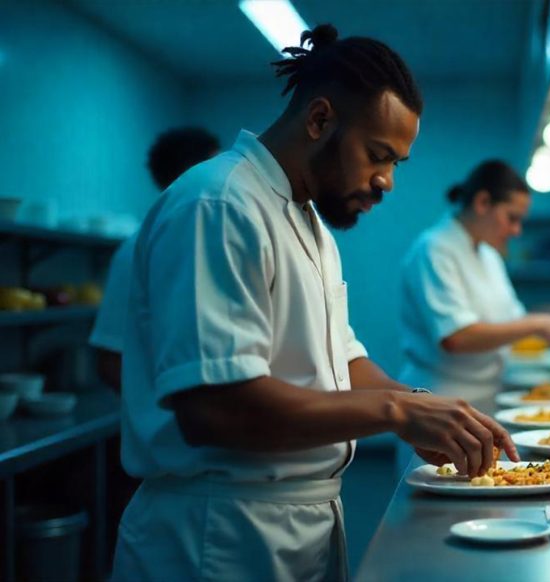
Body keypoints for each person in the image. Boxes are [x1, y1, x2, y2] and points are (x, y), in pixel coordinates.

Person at [112, 25, 518, 582]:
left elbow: (341, 364)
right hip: (219, 534)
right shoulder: (220, 203)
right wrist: (398, 413)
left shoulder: (309, 223)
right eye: (379, 155)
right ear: (320, 119)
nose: (387, 182)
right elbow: (215, 407)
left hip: (298, 520)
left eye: (397, 162)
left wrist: (431, 408)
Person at [399, 160, 550, 404]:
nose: (517, 230)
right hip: (441, 397)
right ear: (482, 203)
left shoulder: (488, 254)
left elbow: (513, 321)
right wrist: (539, 324)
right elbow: (456, 337)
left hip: (488, 395)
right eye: (512, 218)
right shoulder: (434, 249)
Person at [90, 127, 221, 392]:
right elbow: (110, 359)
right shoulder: (137, 250)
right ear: (192, 173)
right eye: (217, 166)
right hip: (175, 428)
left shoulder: (217, 243)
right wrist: (159, 414)